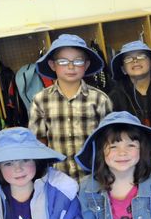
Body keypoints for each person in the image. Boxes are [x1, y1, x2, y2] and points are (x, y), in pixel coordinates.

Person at [29, 33, 112, 181]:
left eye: (78, 61)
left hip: (95, 177)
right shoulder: (40, 100)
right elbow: (39, 142)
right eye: (63, 61)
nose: (71, 66)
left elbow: (109, 139)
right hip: (59, 179)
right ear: (52, 65)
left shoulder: (100, 99)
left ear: (86, 65)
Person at [108, 40, 151, 168]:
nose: (135, 61)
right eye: (128, 59)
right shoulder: (115, 97)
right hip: (130, 162)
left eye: (141, 56)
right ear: (123, 69)